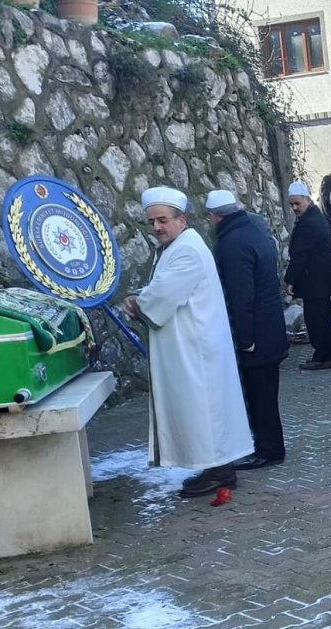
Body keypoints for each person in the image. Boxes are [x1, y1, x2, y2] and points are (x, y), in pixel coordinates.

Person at [123, 187, 253, 498]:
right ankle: (215, 467)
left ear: (181, 220)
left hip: (195, 349)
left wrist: (137, 303)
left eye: (162, 220)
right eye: (151, 221)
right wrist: (143, 298)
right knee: (205, 411)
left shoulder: (186, 250)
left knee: (205, 411)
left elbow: (163, 296)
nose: (156, 227)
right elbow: (162, 288)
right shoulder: (178, 246)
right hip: (193, 345)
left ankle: (220, 469)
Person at [207, 189, 289, 471]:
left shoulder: (232, 242)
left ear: (214, 216)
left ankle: (268, 450)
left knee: (260, 395)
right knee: (266, 392)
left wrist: (245, 339)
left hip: (257, 335)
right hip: (270, 328)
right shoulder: (254, 231)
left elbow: (241, 295)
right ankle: (267, 446)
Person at [285, 181, 331, 370]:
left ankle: (323, 356)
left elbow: (300, 254)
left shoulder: (310, 222)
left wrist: (290, 280)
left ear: (307, 200)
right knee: (320, 319)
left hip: (315, 280)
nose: (294, 208)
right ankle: (326, 354)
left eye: (297, 203)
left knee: (317, 321)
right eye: (292, 204)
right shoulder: (314, 218)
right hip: (318, 280)